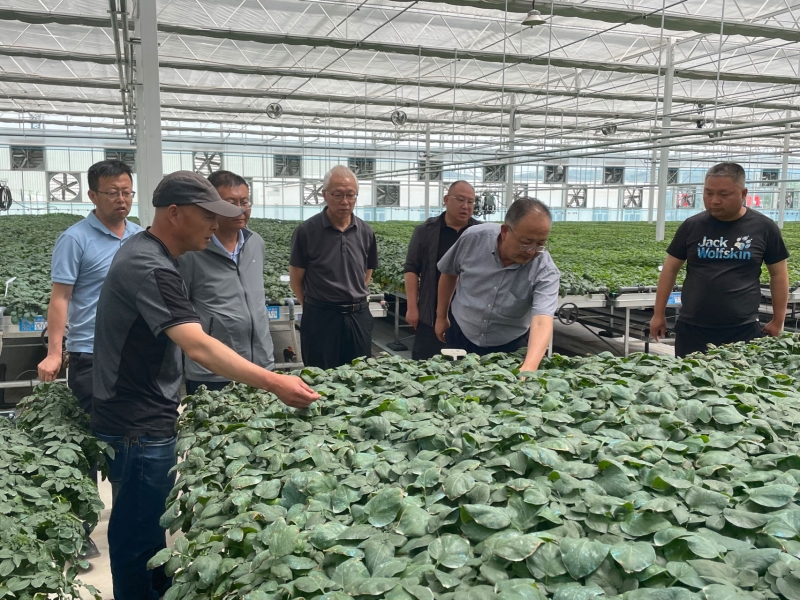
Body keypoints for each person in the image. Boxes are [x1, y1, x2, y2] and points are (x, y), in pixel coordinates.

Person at [91, 171, 319, 600]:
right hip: (136, 423)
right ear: (175, 214)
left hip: (140, 415)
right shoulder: (150, 265)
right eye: (208, 215)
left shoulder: (149, 253)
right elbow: (197, 345)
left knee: (144, 531)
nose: (216, 225)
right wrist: (274, 382)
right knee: (138, 537)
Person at [37, 159, 143, 560]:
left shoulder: (139, 236)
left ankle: (127, 522)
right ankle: (79, 531)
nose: (121, 199)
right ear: (92, 195)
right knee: (95, 442)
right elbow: (60, 298)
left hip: (134, 356)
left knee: (129, 440)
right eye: (113, 192)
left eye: (127, 192)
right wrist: (55, 352)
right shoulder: (75, 239)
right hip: (91, 355)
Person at [650, 162, 789, 357]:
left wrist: (778, 320)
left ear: (743, 193)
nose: (714, 201)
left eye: (724, 195)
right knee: (689, 375)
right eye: (708, 193)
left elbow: (779, 275)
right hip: (692, 327)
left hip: (742, 329)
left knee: (739, 376)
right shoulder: (691, 226)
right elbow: (670, 269)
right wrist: (658, 314)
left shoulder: (764, 228)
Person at [435, 197, 560, 372]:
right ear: (505, 231)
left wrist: (529, 367)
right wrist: (441, 317)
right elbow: (449, 273)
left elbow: (541, 321)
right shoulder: (473, 238)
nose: (532, 251)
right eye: (526, 242)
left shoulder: (545, 270)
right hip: (461, 332)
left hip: (509, 345)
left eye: (540, 244)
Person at [177, 170, 274, 395]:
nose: (240, 209)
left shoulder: (255, 243)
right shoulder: (191, 251)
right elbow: (180, 311)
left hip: (260, 365)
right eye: (231, 203)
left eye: (244, 202)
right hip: (213, 372)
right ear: (211, 206)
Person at [289, 165, 378, 369]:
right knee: (320, 376)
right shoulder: (307, 231)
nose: (345, 201)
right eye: (338, 194)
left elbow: (367, 273)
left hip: (358, 316)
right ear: (325, 195)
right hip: (321, 318)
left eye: (350, 195)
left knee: (361, 375)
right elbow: (296, 280)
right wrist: (316, 308)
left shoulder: (365, 231)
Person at [404, 181, 480, 359]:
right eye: (460, 199)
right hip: (430, 314)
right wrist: (412, 308)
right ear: (446, 200)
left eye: (470, 201)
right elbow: (411, 269)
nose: (465, 206)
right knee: (426, 363)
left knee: (467, 366)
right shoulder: (425, 231)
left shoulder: (480, 233)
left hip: (469, 317)